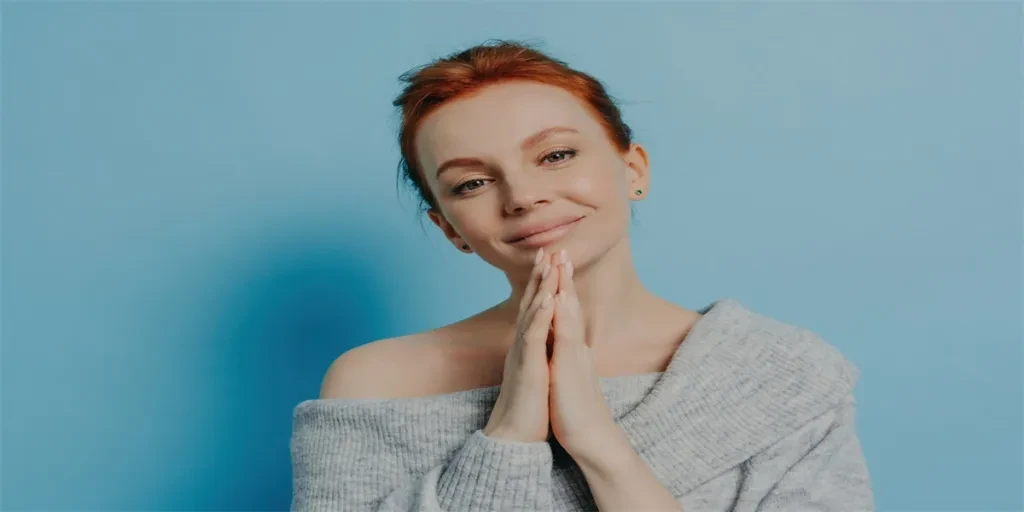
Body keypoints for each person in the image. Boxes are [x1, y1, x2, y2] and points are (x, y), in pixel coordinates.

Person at [290, 40, 874, 511]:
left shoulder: (780, 376)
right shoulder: (376, 384)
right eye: (472, 183)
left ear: (632, 168)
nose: (523, 196)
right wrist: (510, 432)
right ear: (449, 229)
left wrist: (600, 446)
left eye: (555, 155)